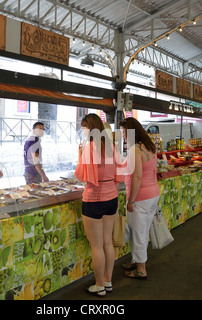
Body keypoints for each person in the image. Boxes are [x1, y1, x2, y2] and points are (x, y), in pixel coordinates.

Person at [74, 113, 122, 297]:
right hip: (111, 198)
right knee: (107, 242)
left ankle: (99, 285)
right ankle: (108, 281)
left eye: (84, 127)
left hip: (94, 199)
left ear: (90, 128)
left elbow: (81, 174)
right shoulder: (111, 146)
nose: (83, 131)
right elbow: (119, 172)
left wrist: (79, 155)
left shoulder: (90, 147)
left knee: (97, 246)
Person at [118, 117, 159, 280]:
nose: (122, 136)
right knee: (141, 231)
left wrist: (131, 200)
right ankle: (136, 260)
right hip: (152, 194)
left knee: (139, 233)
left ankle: (141, 269)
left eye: (123, 132)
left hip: (141, 198)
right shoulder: (149, 146)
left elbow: (136, 177)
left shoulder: (135, 149)